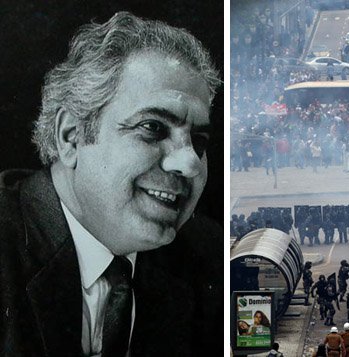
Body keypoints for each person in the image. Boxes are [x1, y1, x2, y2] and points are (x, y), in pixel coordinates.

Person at [0, 12, 224, 355]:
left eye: (199, 140)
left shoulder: (211, 262)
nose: (191, 163)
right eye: (153, 128)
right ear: (71, 137)